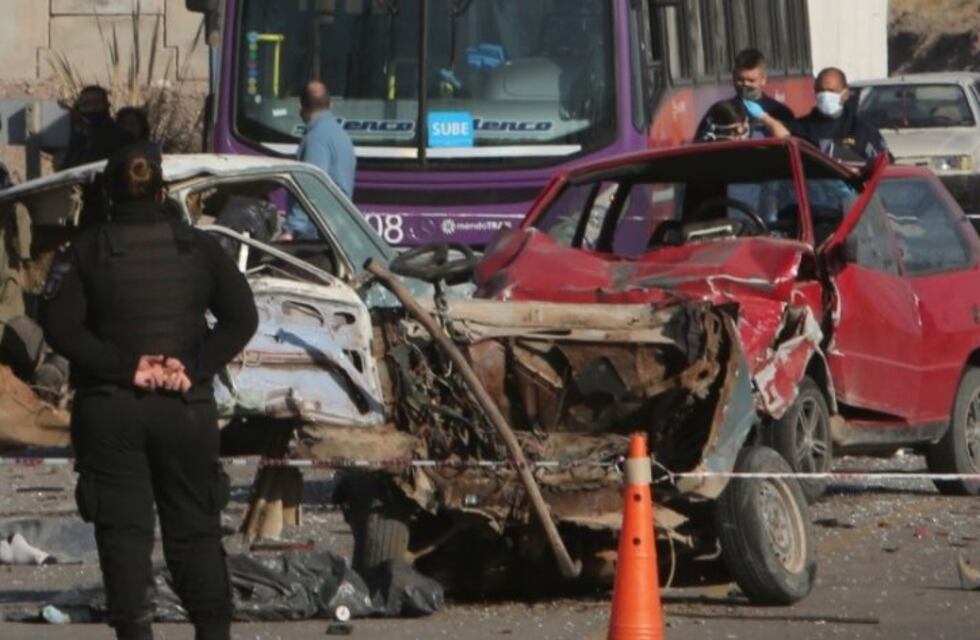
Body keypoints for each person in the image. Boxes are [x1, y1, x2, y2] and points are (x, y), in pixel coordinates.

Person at [40, 146, 258, 640]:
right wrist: (192, 367)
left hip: (112, 409)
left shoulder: (86, 249)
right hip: (184, 409)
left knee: (124, 538)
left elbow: (59, 326)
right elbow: (243, 318)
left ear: (108, 195)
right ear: (163, 193)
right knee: (197, 534)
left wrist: (126, 367)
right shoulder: (198, 247)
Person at [282, 80, 356, 240]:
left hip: (317, 231)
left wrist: (291, 230)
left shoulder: (315, 139)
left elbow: (310, 187)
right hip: (338, 227)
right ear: (331, 105)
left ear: (301, 108)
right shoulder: (341, 136)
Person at [785, 67, 888, 161]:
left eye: (831, 91)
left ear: (845, 94)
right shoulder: (798, 129)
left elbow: (883, 164)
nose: (825, 95)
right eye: (820, 90)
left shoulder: (862, 130)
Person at [695, 48, 796, 140]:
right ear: (733, 77)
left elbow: (791, 143)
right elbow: (700, 144)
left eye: (751, 80)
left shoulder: (781, 112)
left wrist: (765, 119)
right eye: (740, 80)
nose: (745, 85)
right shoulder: (720, 111)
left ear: (763, 79)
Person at [59, 86, 133, 170]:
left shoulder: (123, 138)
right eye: (86, 104)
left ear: (107, 105)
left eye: (97, 103)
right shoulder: (74, 138)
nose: (92, 108)